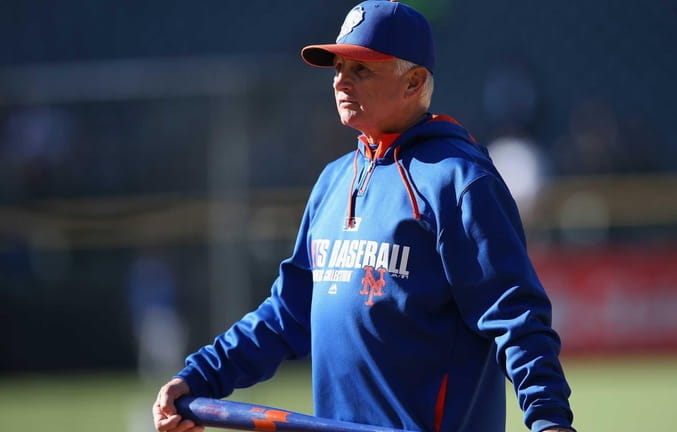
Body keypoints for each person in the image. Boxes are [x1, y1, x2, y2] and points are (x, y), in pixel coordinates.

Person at [152, 1, 575, 432]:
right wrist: (199, 375)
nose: (341, 82)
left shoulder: (459, 180)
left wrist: (550, 421)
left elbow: (516, 319)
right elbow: (287, 313)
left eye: (361, 70)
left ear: (414, 82)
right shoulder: (333, 181)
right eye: (338, 68)